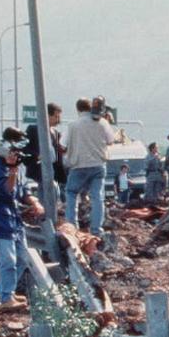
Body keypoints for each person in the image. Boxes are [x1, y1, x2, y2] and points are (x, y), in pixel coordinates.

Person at [0, 128, 44, 310]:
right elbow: (4, 191)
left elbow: (23, 191)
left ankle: (6, 291)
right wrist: (11, 170)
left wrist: (34, 202)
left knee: (22, 258)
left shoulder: (17, 166)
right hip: (0, 214)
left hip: (13, 216)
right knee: (8, 258)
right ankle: (5, 298)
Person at [63, 96, 116, 237]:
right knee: (97, 197)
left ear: (77, 109)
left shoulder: (72, 125)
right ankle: (96, 229)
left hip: (78, 165)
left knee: (71, 194)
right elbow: (111, 140)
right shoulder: (103, 122)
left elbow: (62, 145)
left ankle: (72, 227)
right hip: (98, 164)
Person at [25, 102, 67, 210]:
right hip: (41, 169)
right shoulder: (34, 129)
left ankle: (49, 217)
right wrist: (37, 156)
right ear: (47, 115)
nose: (59, 120)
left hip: (54, 170)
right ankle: (46, 217)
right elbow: (26, 148)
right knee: (49, 193)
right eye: (56, 116)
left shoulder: (56, 133)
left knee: (54, 194)